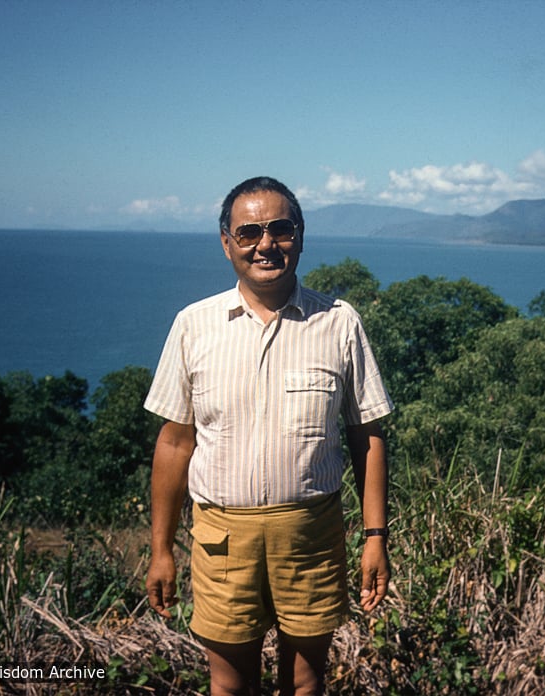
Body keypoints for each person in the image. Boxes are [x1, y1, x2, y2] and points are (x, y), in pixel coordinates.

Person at [144, 176, 394, 696]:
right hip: (221, 540)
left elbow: (367, 436)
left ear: (300, 236)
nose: (265, 244)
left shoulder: (339, 324)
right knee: (230, 686)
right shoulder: (194, 326)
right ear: (226, 243)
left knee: (306, 683)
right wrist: (160, 549)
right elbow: (173, 443)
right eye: (249, 232)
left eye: (280, 229)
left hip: (311, 536)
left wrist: (376, 539)